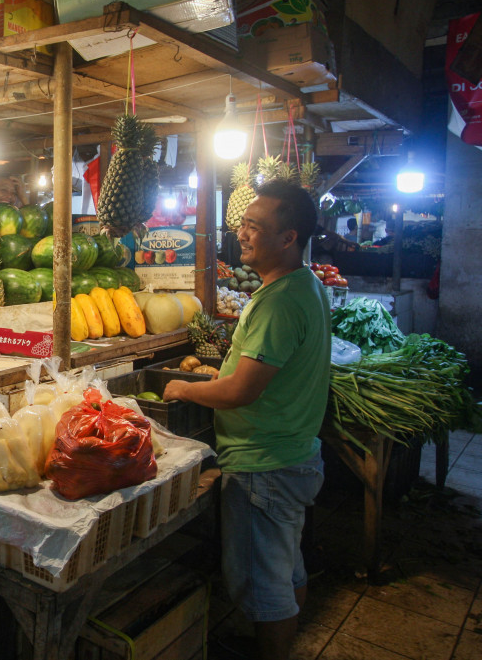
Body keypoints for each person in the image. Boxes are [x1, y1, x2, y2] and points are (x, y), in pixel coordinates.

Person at [163, 180, 330, 660]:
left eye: (255, 226)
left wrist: (186, 386)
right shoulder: (305, 285)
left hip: (265, 466)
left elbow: (241, 391)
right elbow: (262, 372)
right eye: (242, 223)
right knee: (287, 569)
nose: (242, 233)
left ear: (288, 237)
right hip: (293, 454)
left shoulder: (279, 301)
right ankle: (278, 644)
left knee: (263, 585)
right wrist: (229, 369)